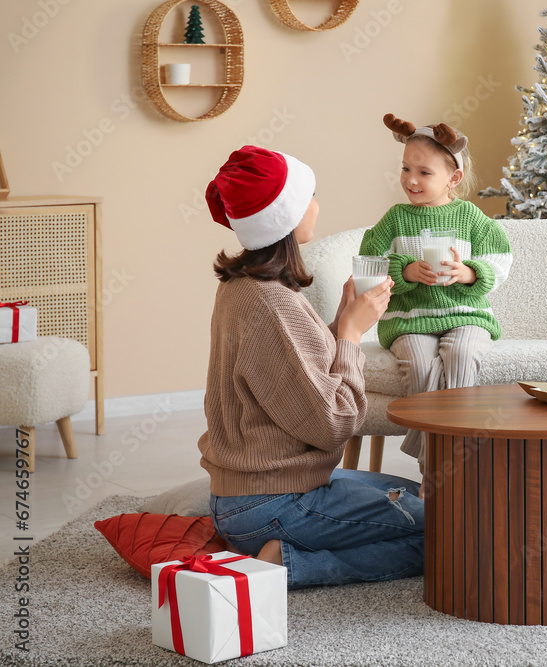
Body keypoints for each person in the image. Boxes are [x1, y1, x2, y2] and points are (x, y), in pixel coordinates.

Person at [198, 145, 424, 589]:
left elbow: (288, 369)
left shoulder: (245, 287)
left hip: (248, 498)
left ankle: (283, 548)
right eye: (311, 195)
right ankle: (289, 564)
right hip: (277, 504)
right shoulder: (272, 303)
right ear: (286, 214)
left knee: (425, 496)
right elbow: (335, 422)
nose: (318, 205)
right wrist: (352, 336)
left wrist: (342, 320)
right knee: (452, 529)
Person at [359, 114, 513, 475]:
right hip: (410, 318)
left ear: (453, 178)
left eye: (424, 172)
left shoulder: (471, 217)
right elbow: (369, 261)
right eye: (406, 168)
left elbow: (500, 259)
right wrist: (405, 270)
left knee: (461, 353)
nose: (411, 179)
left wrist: (470, 271)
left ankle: (437, 453)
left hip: (465, 314)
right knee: (417, 362)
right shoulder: (395, 219)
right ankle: (447, 461)